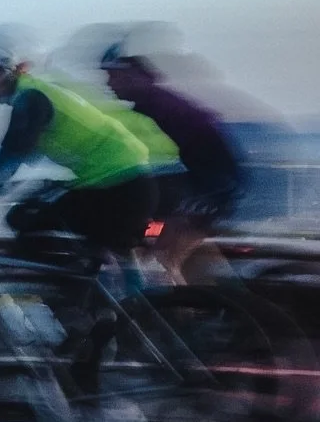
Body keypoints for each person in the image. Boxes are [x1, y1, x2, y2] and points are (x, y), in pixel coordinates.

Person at [0, 26, 158, 422]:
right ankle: (68, 331)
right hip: (114, 185)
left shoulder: (32, 100)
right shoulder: (30, 95)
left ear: (3, 69)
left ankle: (79, 365)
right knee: (27, 221)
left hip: (118, 189)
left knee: (36, 230)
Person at [99, 36, 244, 281]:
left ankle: (174, 313)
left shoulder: (155, 107)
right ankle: (235, 306)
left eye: (112, 76)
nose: (108, 84)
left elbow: (138, 163)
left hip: (207, 190)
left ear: (133, 73)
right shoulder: (154, 103)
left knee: (161, 258)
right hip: (211, 189)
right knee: (172, 253)